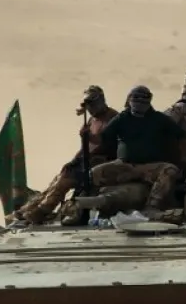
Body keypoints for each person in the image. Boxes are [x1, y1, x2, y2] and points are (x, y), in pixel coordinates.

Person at [14, 85, 118, 223]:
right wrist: (75, 159)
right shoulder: (92, 120)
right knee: (58, 179)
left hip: (102, 164)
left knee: (63, 182)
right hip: (85, 160)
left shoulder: (113, 118)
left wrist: (91, 139)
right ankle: (30, 208)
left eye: (93, 104)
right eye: (88, 105)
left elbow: (111, 145)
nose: (90, 108)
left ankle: (43, 210)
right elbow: (86, 147)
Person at [91, 86, 186, 211]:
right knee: (93, 174)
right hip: (125, 165)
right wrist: (88, 136)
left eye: (143, 100)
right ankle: (89, 207)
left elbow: (183, 136)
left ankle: (152, 207)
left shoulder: (159, 119)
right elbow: (103, 138)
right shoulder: (122, 118)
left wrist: (183, 157)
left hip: (151, 167)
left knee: (170, 171)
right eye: (136, 99)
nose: (139, 103)